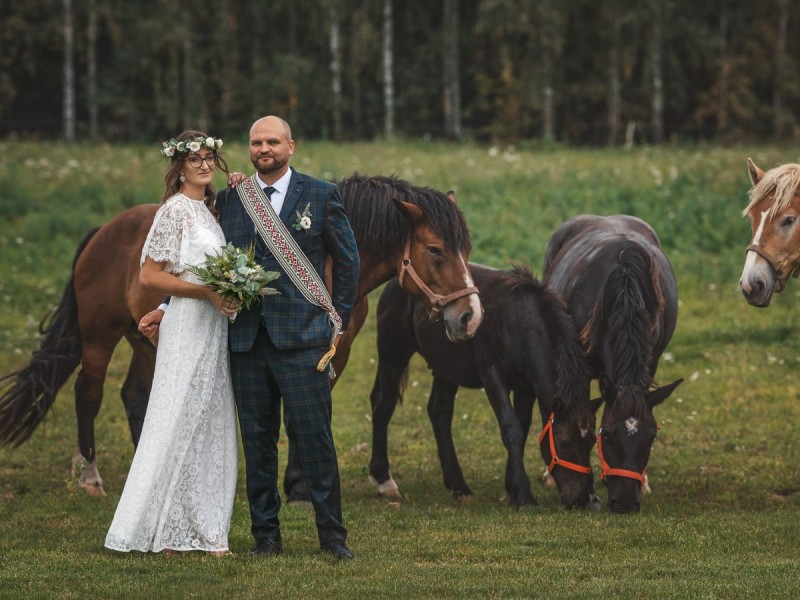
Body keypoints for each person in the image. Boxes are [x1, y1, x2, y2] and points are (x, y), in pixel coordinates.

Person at [140, 116, 360, 560]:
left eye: (273, 142)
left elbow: (348, 262)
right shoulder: (231, 199)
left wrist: (336, 321)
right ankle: (266, 537)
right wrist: (166, 307)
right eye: (256, 142)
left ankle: (333, 538)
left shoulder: (321, 194)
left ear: (291, 146)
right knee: (257, 444)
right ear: (248, 148)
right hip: (244, 342)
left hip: (302, 340)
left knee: (315, 441)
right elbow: (203, 264)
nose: (264, 149)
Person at [105, 130, 239, 556]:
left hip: (213, 327)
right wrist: (206, 294)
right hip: (188, 326)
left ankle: (203, 526)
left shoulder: (209, 212)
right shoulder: (175, 211)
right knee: (178, 416)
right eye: (194, 159)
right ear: (179, 166)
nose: (203, 165)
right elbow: (150, 275)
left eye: (208, 157)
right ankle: (161, 527)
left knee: (207, 420)